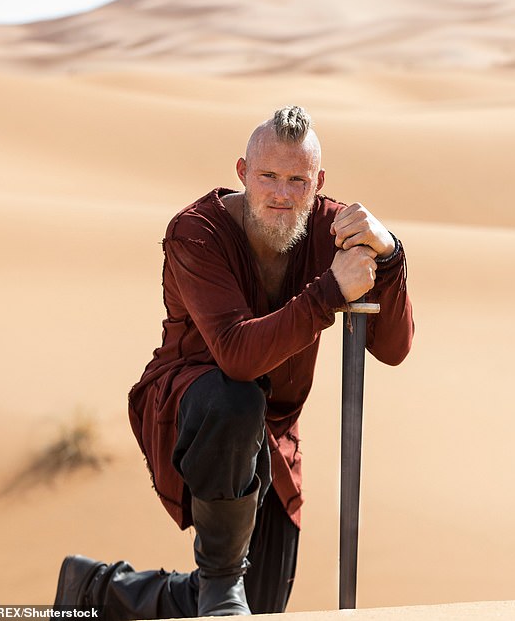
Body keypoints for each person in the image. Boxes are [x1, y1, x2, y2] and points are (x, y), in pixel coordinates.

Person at [53, 106, 414, 618]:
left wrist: (392, 255)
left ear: (319, 183)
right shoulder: (195, 233)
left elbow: (393, 349)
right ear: (243, 173)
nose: (282, 194)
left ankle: (98, 590)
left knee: (258, 610)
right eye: (268, 176)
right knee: (234, 399)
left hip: (273, 436)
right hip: (194, 410)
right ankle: (220, 578)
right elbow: (237, 356)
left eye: (297, 179)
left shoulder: (332, 228)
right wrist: (330, 290)